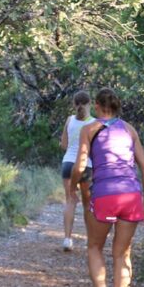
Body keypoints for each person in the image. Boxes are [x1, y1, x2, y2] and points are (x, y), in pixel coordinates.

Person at [71, 88, 144, 287]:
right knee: (123, 253)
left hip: (105, 194)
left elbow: (80, 165)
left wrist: (72, 187)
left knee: (95, 246)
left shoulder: (89, 129)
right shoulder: (129, 129)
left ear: (97, 106)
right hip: (130, 195)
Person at [59, 90, 95, 251]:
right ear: (90, 104)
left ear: (74, 104)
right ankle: (90, 241)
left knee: (70, 201)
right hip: (86, 165)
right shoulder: (95, 123)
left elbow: (64, 145)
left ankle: (67, 239)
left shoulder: (69, 120)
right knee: (88, 205)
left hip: (68, 164)